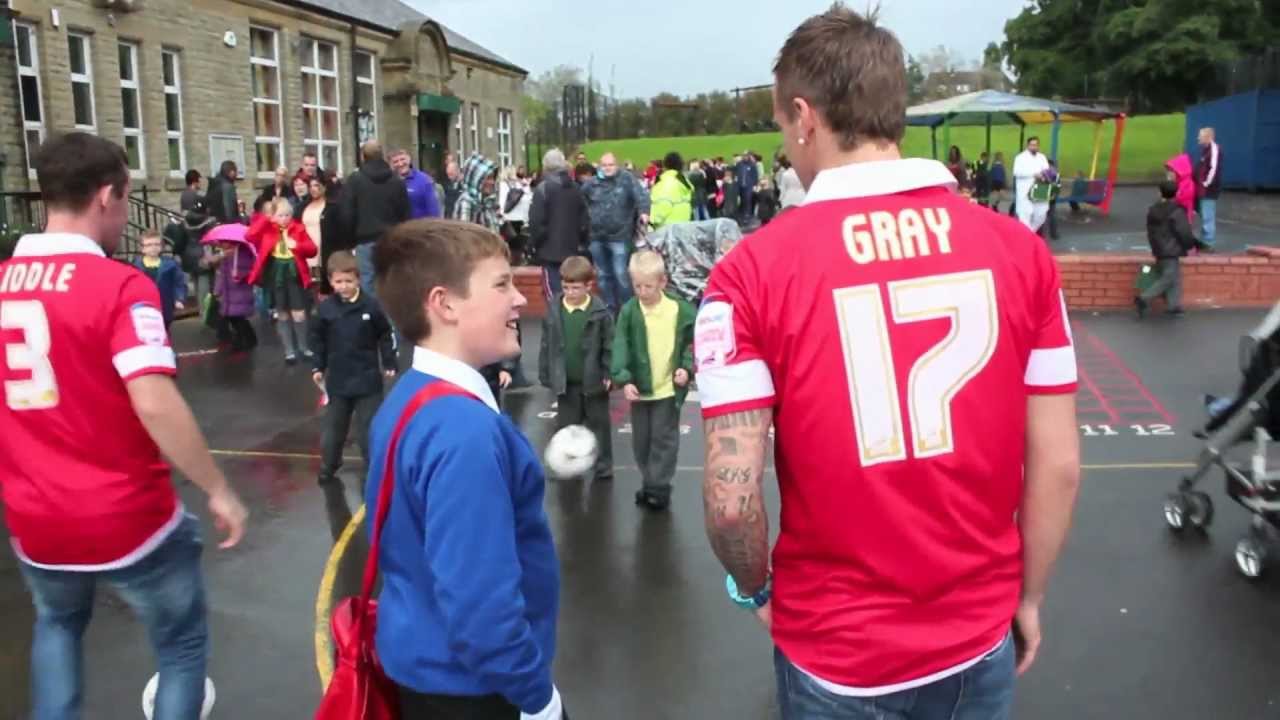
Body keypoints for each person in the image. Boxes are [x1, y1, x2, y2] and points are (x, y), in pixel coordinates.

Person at [694, 6, 1081, 719]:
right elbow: (1057, 463)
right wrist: (1028, 597)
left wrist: (756, 591)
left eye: (783, 127)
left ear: (804, 117)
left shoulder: (749, 274)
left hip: (836, 652)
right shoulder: (1022, 253)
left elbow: (731, 502)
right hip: (975, 634)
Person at [0, 131, 248, 720]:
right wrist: (217, 488)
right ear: (108, 196)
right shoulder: (120, 284)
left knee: (57, 626)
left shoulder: (4, 280)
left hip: (36, 518)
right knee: (181, 648)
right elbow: (155, 402)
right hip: (125, 516)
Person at [367, 218, 565, 720]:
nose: (519, 298)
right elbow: (481, 607)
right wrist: (537, 698)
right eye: (500, 284)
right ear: (444, 304)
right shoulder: (464, 432)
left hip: (427, 665)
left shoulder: (409, 399)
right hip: (472, 689)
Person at [611, 250, 696, 511]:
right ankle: (649, 481)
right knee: (642, 441)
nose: (642, 291)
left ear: (662, 282)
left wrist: (686, 368)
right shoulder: (629, 311)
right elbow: (621, 346)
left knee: (664, 438)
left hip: (668, 390)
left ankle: (659, 487)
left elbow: (691, 344)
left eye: (648, 285)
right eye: (637, 285)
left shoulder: (679, 310)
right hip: (641, 389)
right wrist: (624, 379)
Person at [310, 250, 396, 491]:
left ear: (358, 279)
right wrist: (318, 365)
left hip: (367, 380)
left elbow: (385, 335)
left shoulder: (371, 306)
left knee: (368, 428)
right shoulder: (326, 309)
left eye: (349, 281)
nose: (344, 286)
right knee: (333, 429)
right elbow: (317, 339)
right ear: (331, 281)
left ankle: (374, 468)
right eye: (338, 282)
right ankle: (329, 465)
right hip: (338, 380)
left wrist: (389, 361)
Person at [538, 256, 615, 481]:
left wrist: (609, 373)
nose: (570, 292)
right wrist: (546, 373)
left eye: (575, 288)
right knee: (567, 427)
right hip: (566, 381)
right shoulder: (554, 310)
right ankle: (570, 465)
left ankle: (603, 466)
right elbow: (546, 344)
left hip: (594, 381)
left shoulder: (600, 313)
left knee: (599, 425)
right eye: (565, 287)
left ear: (589, 286)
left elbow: (610, 345)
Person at [246, 197, 318, 364]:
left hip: (294, 274)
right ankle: (289, 351)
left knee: (299, 314)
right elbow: (249, 235)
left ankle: (304, 348)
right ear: (274, 216)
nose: (284, 218)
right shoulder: (268, 229)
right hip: (275, 274)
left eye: (287, 215)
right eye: (280, 215)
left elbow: (312, 250)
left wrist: (298, 246)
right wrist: (266, 218)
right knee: (283, 314)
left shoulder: (298, 228)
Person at [582, 152, 650, 313]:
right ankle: (609, 309)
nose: (607, 168)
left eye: (610, 165)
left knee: (621, 274)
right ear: (599, 166)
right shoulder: (591, 184)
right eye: (604, 165)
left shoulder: (626, 179)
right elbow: (580, 200)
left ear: (616, 165)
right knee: (603, 276)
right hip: (596, 236)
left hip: (619, 236)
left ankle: (628, 309)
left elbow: (642, 196)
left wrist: (644, 212)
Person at [342, 140, 411, 296]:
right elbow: (405, 214)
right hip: (391, 239)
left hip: (365, 240)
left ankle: (372, 319)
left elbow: (347, 213)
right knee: (390, 282)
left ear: (363, 156)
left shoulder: (355, 180)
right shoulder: (396, 182)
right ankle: (391, 319)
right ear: (382, 156)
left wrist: (349, 241)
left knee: (367, 282)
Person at [528, 148, 590, 300]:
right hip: (571, 248)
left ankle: (556, 322)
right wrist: (581, 241)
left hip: (549, 251)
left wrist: (534, 244)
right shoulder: (576, 188)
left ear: (546, 166)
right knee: (571, 292)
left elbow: (536, 222)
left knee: (553, 294)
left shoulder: (543, 189)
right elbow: (584, 220)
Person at [1136, 180, 1198, 319]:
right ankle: (1144, 298)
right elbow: (1183, 231)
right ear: (1176, 193)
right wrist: (1189, 245)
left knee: (1174, 276)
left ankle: (1174, 305)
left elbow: (1151, 231)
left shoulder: (1153, 210)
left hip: (1158, 247)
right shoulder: (1177, 211)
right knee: (1169, 277)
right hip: (1171, 248)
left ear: (1160, 192)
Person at [208, 226, 259, 352]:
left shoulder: (243, 252)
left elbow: (249, 268)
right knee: (233, 317)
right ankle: (246, 338)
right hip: (228, 291)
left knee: (238, 316)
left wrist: (240, 274)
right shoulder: (225, 255)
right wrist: (218, 290)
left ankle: (244, 340)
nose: (222, 244)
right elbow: (221, 274)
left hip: (240, 289)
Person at [134, 228, 188, 329]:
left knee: (164, 330)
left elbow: (179, 283)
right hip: (144, 306)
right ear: (142, 248)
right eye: (149, 245)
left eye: (156, 244)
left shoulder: (171, 264)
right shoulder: (136, 266)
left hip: (165, 305)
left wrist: (179, 298)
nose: (153, 247)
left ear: (161, 246)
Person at [390, 148, 442, 220]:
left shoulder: (424, 180)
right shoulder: (389, 182)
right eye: (395, 161)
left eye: (402, 159)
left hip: (420, 229)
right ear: (391, 164)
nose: (400, 164)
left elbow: (434, 211)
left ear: (409, 159)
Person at [1013, 136, 1052, 232]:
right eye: (1032, 145)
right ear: (1028, 146)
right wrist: (1033, 174)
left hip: (1039, 191)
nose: (1034, 147)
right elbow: (1016, 172)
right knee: (1025, 216)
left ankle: (1031, 234)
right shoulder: (1020, 157)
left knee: (1041, 215)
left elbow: (1047, 171)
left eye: (1036, 145)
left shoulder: (1042, 157)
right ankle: (1028, 239)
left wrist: (1045, 176)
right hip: (1025, 192)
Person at [650, 152, 694, 231]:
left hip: (666, 230)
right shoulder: (682, 181)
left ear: (665, 165)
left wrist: (651, 223)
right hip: (683, 226)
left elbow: (663, 204)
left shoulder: (666, 182)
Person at [1196, 127, 1222, 250]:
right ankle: (1204, 240)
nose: (1198, 138)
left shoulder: (1214, 150)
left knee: (1208, 215)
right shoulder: (1205, 150)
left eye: (1200, 136)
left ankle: (1209, 243)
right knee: (1204, 214)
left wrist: (1206, 183)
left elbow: (1213, 168)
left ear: (1208, 137)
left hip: (1208, 190)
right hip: (1202, 189)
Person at [204, 160, 240, 224]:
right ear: (231, 172)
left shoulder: (214, 184)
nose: (237, 174)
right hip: (225, 226)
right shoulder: (227, 187)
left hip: (213, 224)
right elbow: (229, 212)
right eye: (236, 171)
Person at [735, 152, 761, 220]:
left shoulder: (752, 165)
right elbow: (736, 173)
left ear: (748, 156)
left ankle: (747, 215)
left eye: (746, 156)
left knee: (747, 200)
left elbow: (755, 176)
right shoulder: (739, 164)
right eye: (744, 156)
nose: (745, 157)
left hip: (748, 186)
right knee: (742, 200)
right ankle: (741, 214)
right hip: (740, 185)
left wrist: (755, 185)